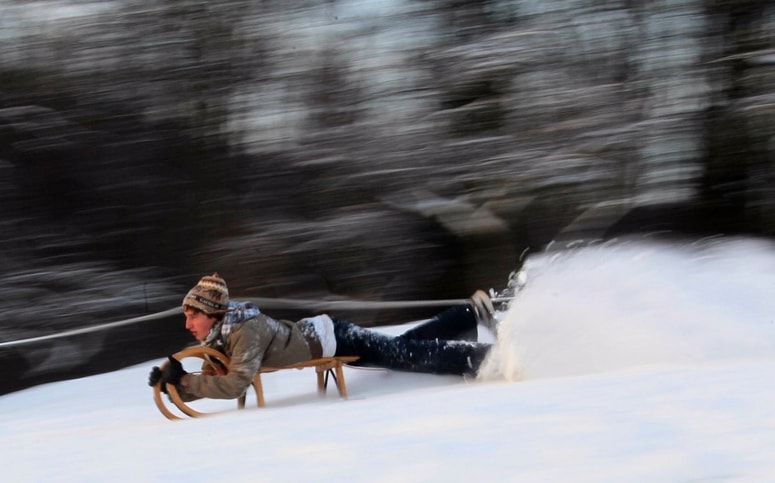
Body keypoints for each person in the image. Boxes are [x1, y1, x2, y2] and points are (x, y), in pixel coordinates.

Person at [148, 273, 496, 402]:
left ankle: (486, 358)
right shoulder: (221, 338)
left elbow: (235, 384)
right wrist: (174, 385)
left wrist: (185, 381)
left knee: (404, 356)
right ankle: (467, 315)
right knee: (401, 349)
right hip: (325, 334)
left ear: (212, 313)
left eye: (192, 315)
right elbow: (213, 380)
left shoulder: (244, 331)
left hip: (334, 338)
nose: (188, 324)